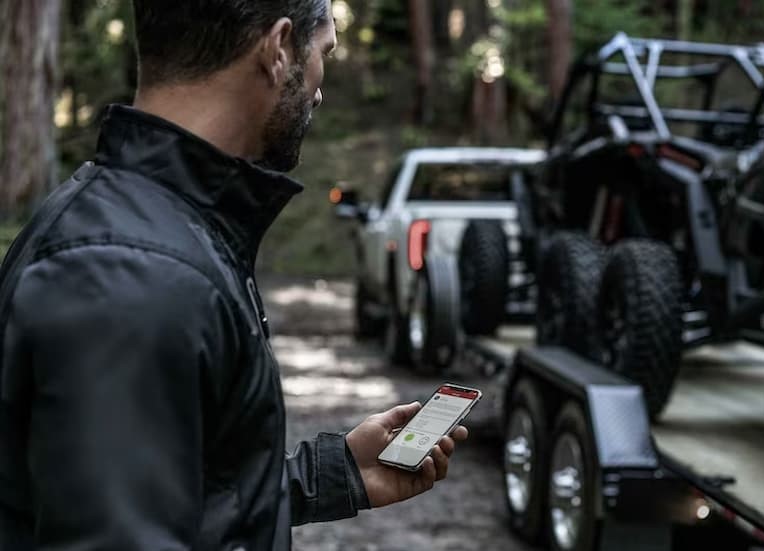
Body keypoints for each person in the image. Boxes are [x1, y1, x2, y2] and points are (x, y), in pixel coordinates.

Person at [0, 1, 468, 549]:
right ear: (277, 50)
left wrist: (335, 475)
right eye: (324, 55)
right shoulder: (133, 272)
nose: (319, 88)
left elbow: (177, 496)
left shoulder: (149, 228)